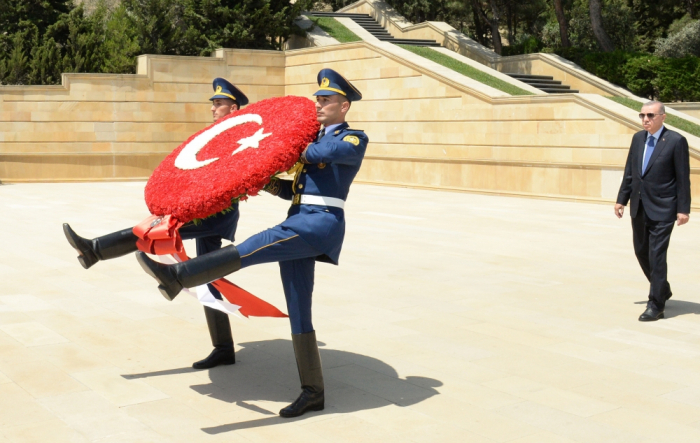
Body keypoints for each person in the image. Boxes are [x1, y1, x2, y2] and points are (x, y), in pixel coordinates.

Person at [135, 68, 368, 418]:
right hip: (301, 218)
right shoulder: (317, 141)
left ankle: (179, 275)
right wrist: (268, 182)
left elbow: (325, 153)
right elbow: (296, 190)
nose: (319, 104)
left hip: (319, 225)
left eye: (327, 99)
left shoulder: (353, 139)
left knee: (254, 245)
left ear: (344, 106)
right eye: (318, 98)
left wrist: (279, 145)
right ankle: (313, 390)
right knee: (299, 305)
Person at [63, 78, 249, 368]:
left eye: (218, 104)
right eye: (212, 104)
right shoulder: (213, 136)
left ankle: (95, 250)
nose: (213, 109)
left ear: (233, 108)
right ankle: (223, 348)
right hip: (200, 210)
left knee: (151, 232)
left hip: (217, 214)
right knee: (207, 277)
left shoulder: (239, 138)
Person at [615, 100, 691, 321]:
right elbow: (630, 171)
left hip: (664, 207)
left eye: (650, 116)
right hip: (639, 206)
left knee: (657, 255)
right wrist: (621, 199)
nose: (645, 119)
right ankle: (662, 288)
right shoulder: (638, 139)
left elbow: (682, 179)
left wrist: (683, 209)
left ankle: (656, 304)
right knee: (641, 251)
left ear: (663, 117)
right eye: (642, 116)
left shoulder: (676, 141)